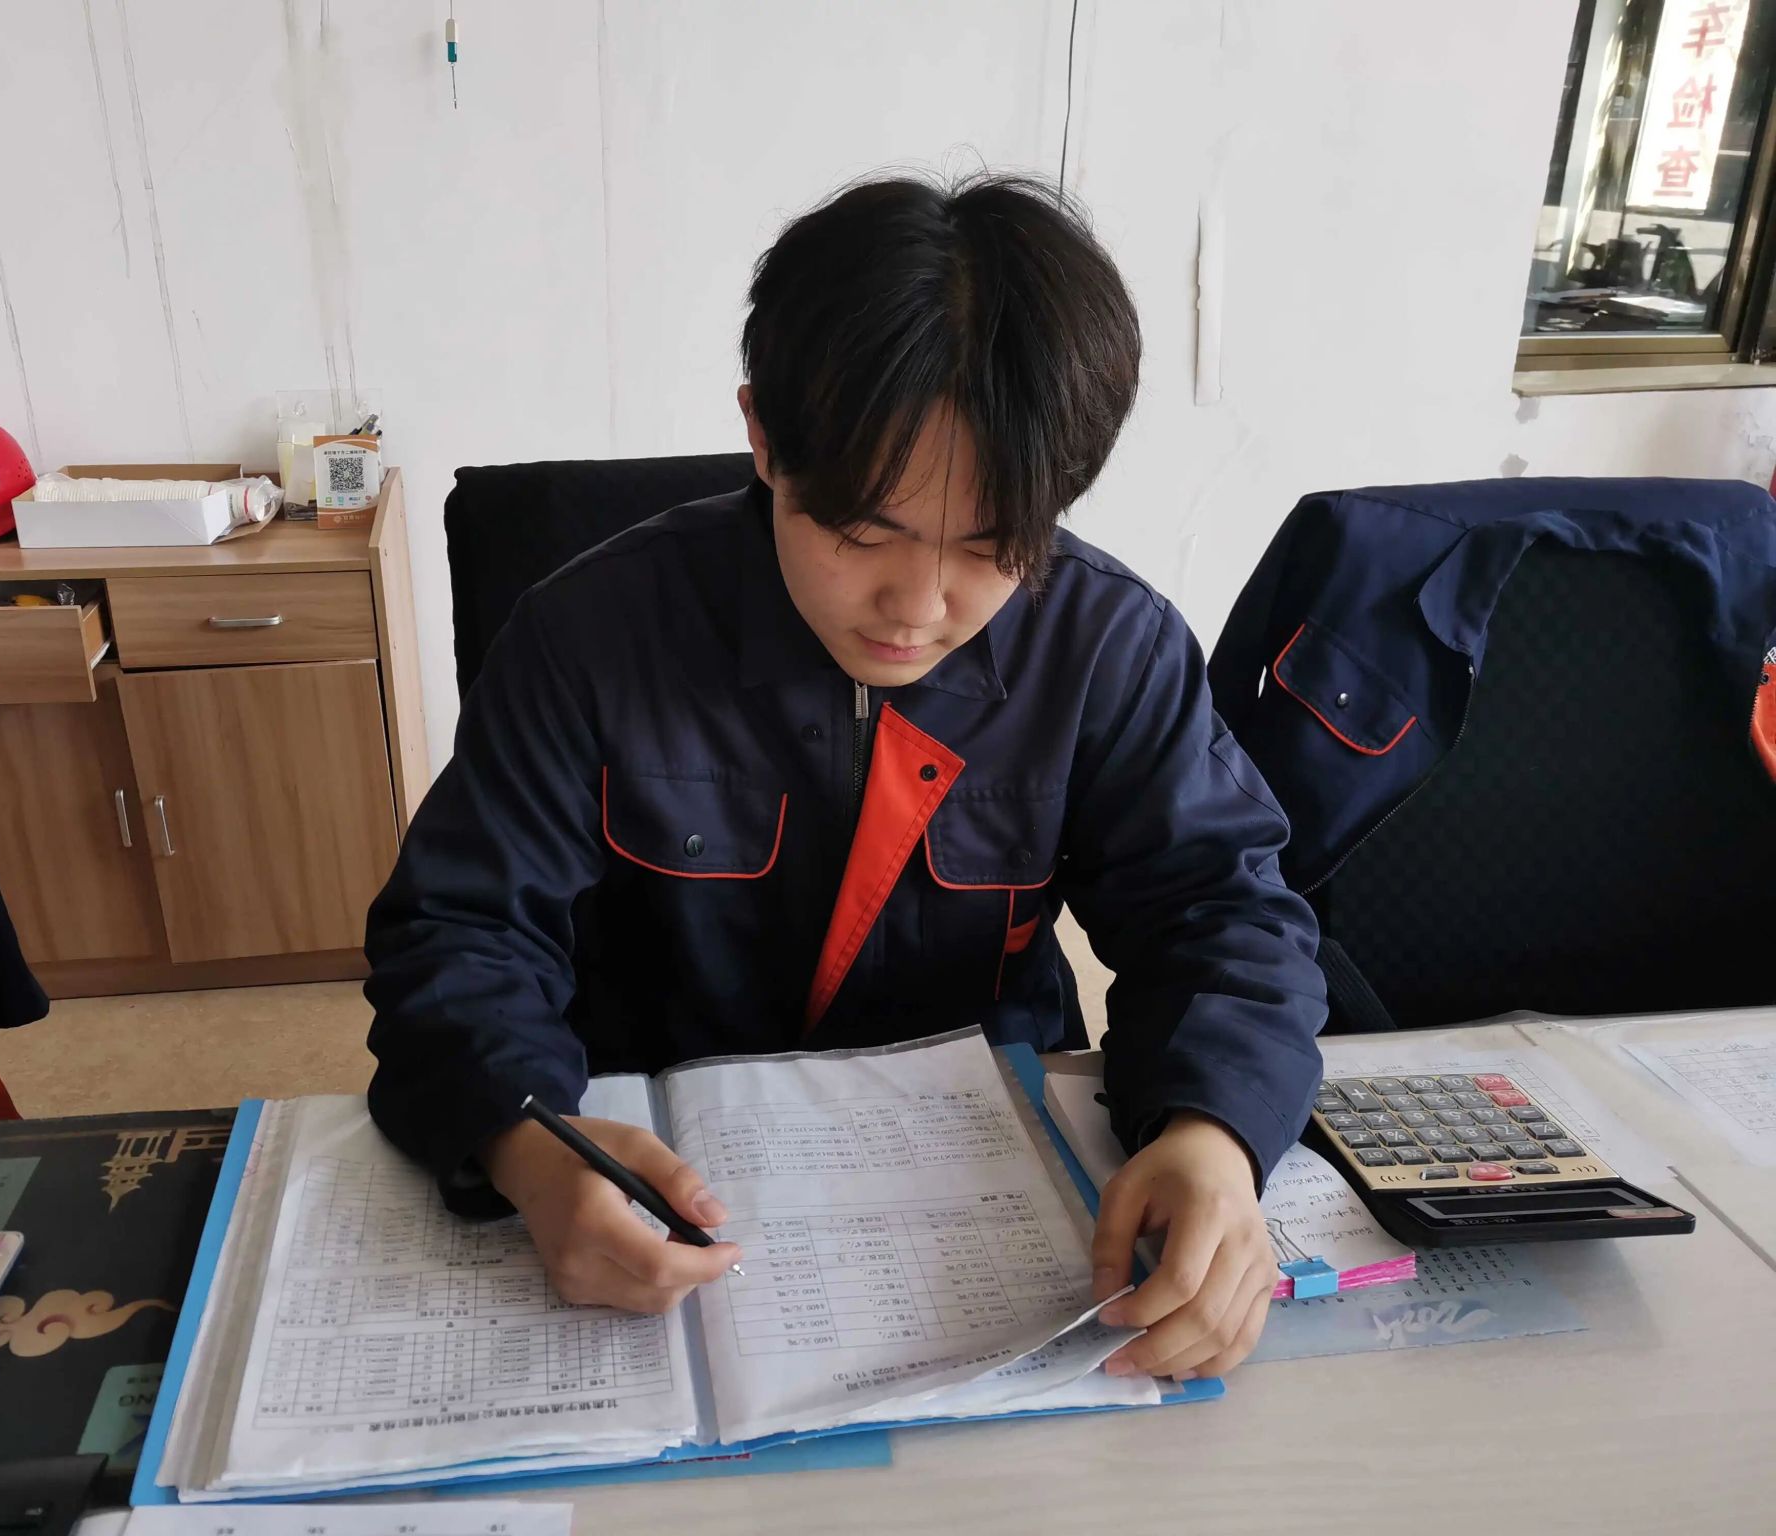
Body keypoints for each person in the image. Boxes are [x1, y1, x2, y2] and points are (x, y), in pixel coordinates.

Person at [365, 171, 1327, 1382]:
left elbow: (1220, 912)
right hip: (657, 1177)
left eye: (992, 548)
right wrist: (526, 1145)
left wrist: (1213, 1132)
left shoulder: (1103, 647)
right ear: (762, 437)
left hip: (984, 1195)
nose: (916, 608)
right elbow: (459, 932)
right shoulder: (590, 637)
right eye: (864, 533)